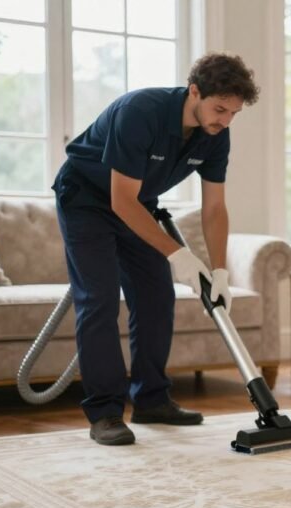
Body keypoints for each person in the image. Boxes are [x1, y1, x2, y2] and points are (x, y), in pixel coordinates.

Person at [53, 53, 260, 446]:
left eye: (234, 113)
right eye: (219, 109)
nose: (225, 120)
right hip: (87, 200)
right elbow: (120, 200)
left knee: (156, 296)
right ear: (194, 91)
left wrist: (219, 271)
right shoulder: (141, 111)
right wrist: (178, 254)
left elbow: (215, 208)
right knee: (98, 299)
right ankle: (106, 413)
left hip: (138, 204)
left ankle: (150, 398)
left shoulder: (215, 134)